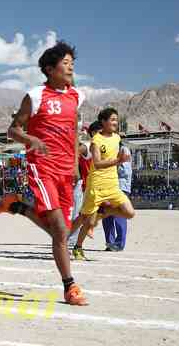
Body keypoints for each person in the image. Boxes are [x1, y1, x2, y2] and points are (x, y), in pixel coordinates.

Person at [0, 41, 88, 305]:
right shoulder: (35, 96)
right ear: (50, 69)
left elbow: (74, 131)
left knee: (63, 232)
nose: (71, 67)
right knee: (60, 230)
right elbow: (13, 130)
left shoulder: (76, 96)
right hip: (42, 167)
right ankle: (70, 287)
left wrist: (75, 164)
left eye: (72, 63)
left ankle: (18, 206)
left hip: (66, 171)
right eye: (65, 63)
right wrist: (30, 139)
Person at [70, 108, 136, 260]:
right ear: (103, 122)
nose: (115, 122)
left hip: (113, 186)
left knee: (129, 213)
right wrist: (118, 161)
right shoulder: (96, 141)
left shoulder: (117, 138)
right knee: (85, 219)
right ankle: (76, 245)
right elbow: (98, 163)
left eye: (116, 119)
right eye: (112, 119)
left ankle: (105, 211)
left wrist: (120, 161)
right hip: (96, 186)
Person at [68, 121, 102, 249]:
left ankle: (86, 229)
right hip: (85, 185)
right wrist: (75, 170)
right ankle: (70, 240)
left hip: (96, 185)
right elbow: (77, 151)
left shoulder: (101, 146)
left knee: (90, 213)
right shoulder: (88, 145)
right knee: (79, 214)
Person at [102, 142, 132, 251]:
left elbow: (126, 172)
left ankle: (119, 244)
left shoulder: (124, 150)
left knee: (119, 216)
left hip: (120, 187)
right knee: (106, 216)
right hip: (106, 186)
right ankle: (110, 243)